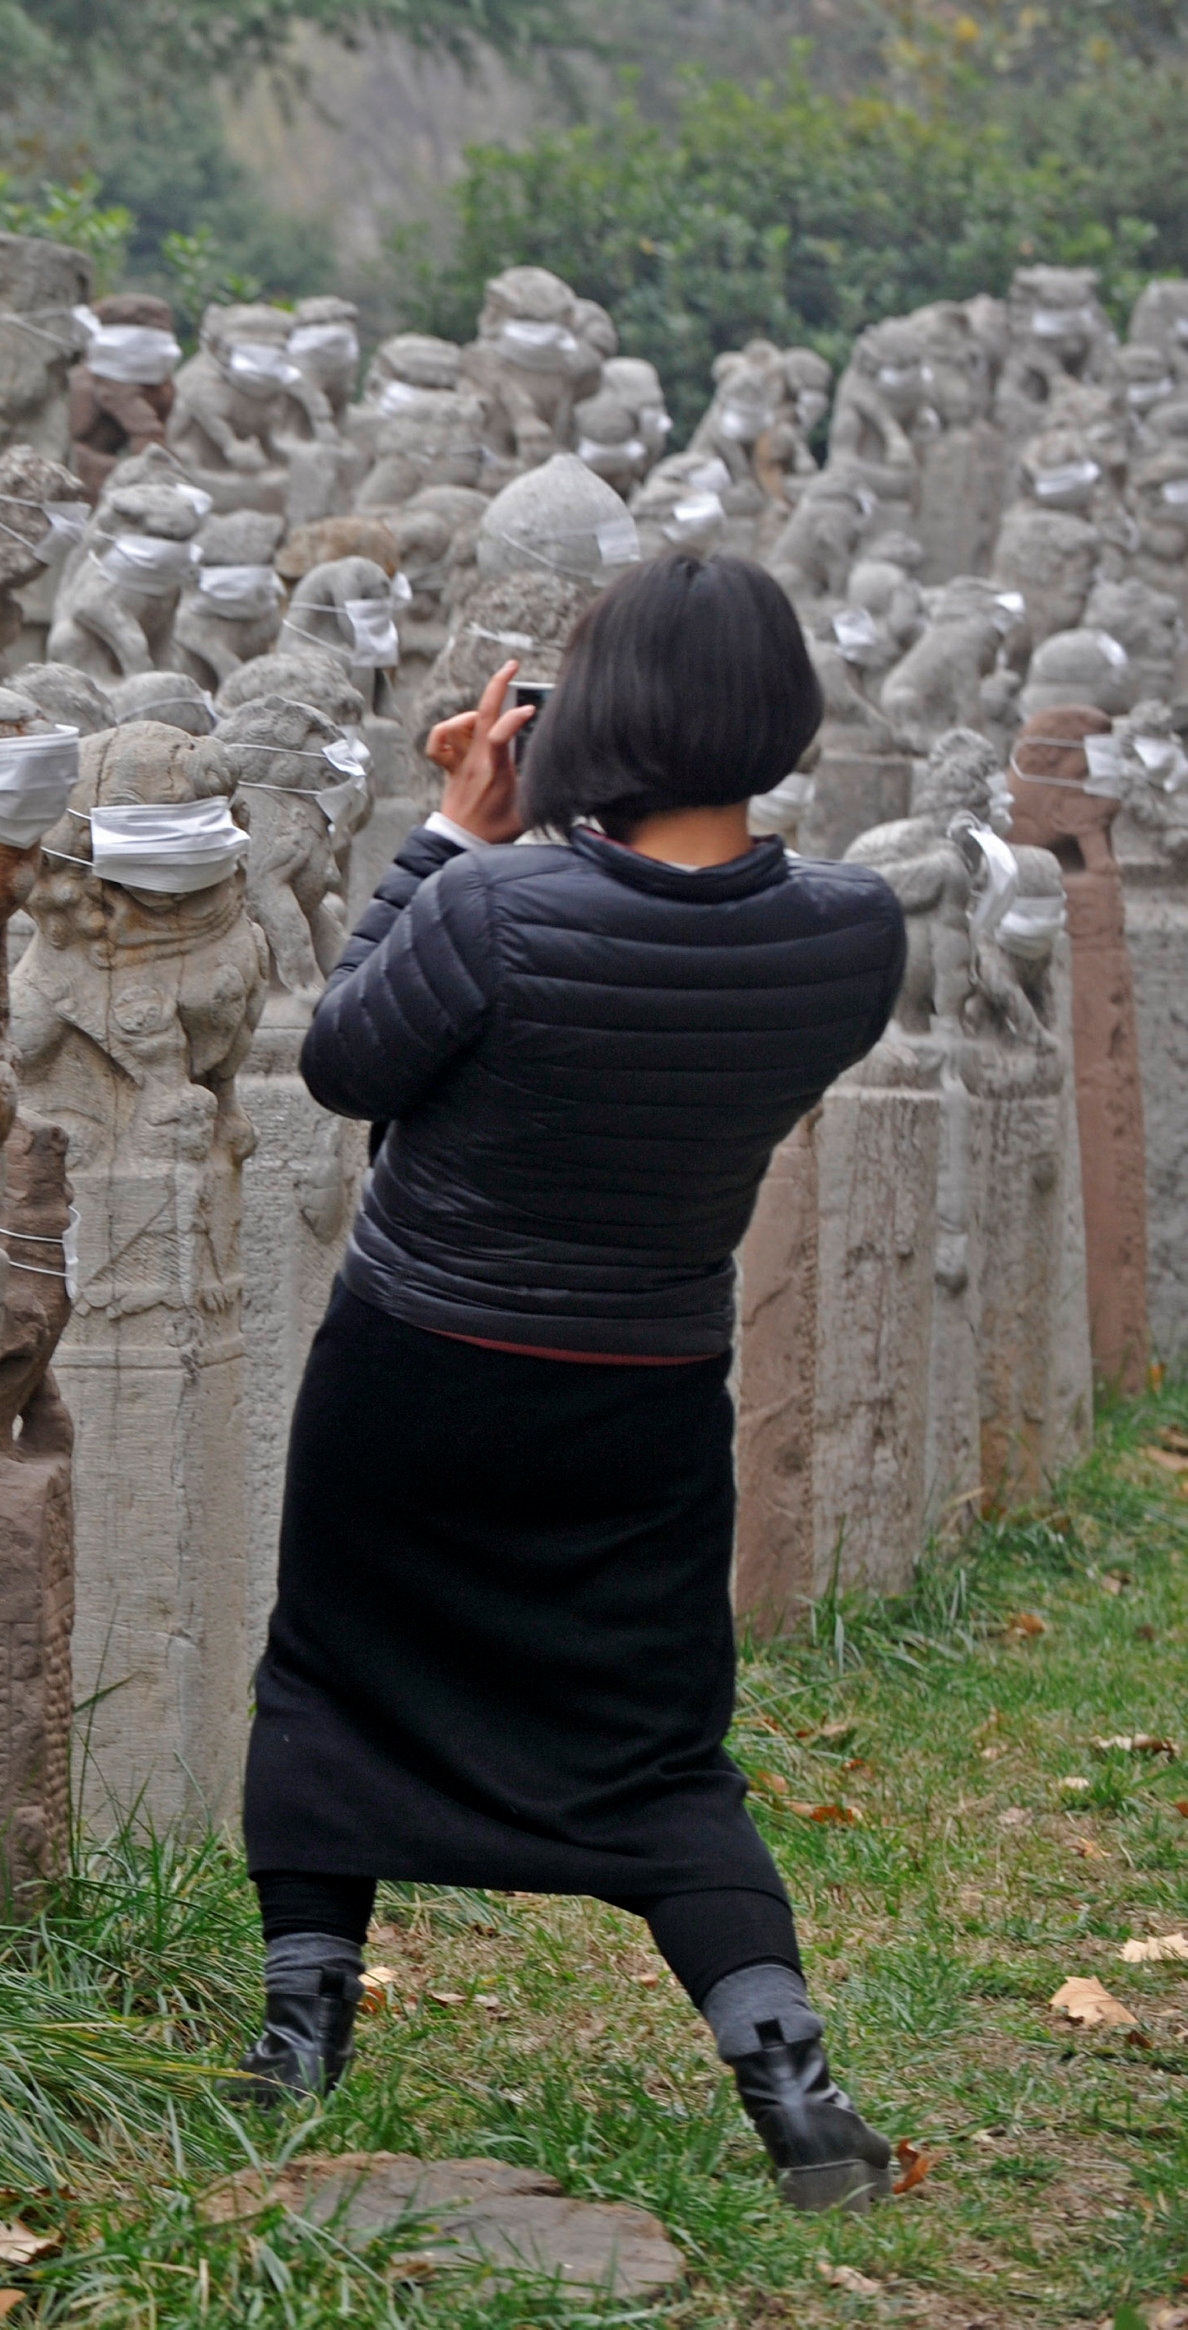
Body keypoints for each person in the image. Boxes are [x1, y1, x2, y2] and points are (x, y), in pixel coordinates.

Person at [234, 553, 911, 2212]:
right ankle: (791, 2078)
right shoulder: (852, 935)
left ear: (588, 719)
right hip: (647, 1389)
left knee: (332, 1674)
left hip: (420, 1366)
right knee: (659, 1744)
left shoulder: (494, 905)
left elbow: (344, 1062)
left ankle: (300, 2031)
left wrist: (459, 828)